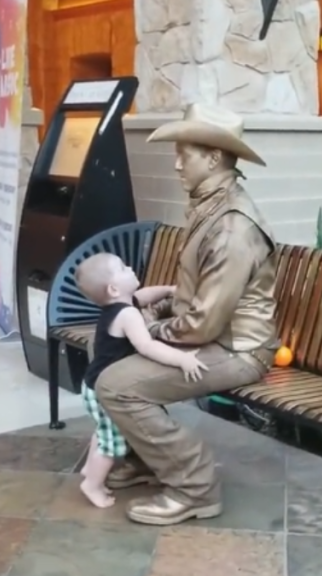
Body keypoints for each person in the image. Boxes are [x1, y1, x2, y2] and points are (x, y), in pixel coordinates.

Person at [96, 103, 280, 526]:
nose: (177, 164)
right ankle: (151, 460)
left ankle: (194, 487)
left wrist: (147, 328)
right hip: (212, 338)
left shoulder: (234, 226)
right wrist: (153, 311)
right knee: (106, 347)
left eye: (185, 154)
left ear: (214, 159)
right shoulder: (211, 205)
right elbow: (197, 297)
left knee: (117, 385)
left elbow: (203, 324)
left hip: (237, 349)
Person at [74, 254, 206, 508]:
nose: (131, 268)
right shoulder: (128, 316)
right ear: (113, 288)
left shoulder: (122, 305)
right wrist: (181, 359)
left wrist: (168, 290)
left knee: (103, 431)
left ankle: (90, 470)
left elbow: (145, 295)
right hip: (105, 388)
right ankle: (92, 485)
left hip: (93, 383)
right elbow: (147, 346)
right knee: (113, 444)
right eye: (123, 268)